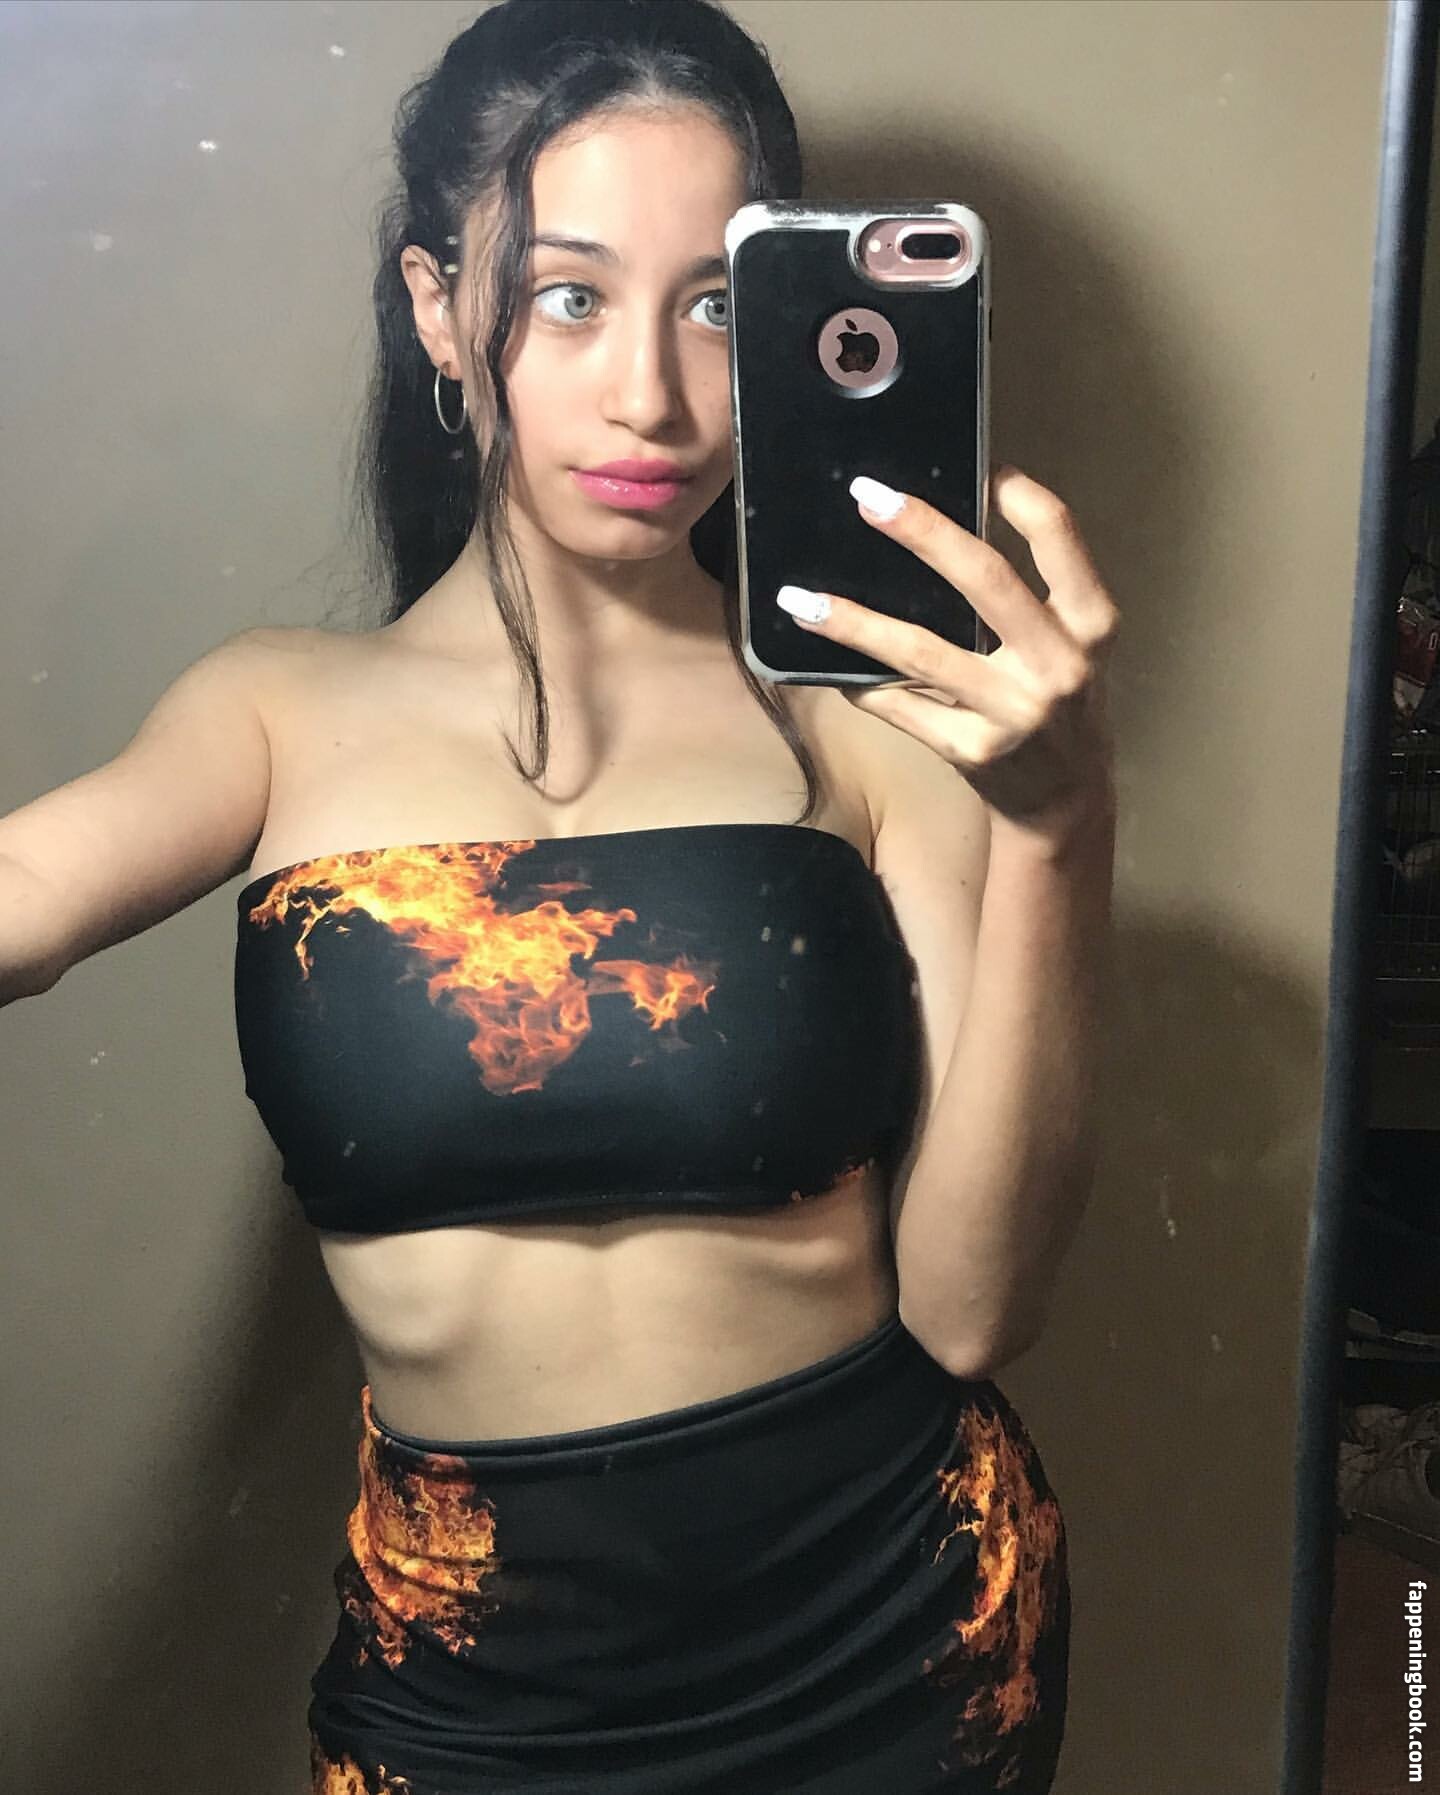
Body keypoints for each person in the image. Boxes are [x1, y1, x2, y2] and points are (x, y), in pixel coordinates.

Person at [0, 1, 1120, 1788]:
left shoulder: (874, 734)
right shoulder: (276, 713)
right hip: (468, 1688)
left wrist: (1061, 827)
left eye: (713, 306)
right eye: (569, 296)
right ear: (439, 307)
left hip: (895, 1641)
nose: (651, 397)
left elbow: (973, 1314)